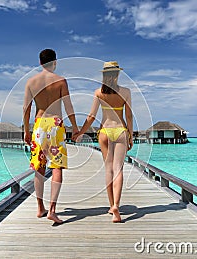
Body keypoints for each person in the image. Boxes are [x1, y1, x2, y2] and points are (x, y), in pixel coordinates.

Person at [72, 61, 133, 223]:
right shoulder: (126, 92)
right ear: (118, 74)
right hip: (120, 131)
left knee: (108, 171)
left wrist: (80, 133)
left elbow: (91, 117)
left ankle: (111, 204)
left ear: (104, 75)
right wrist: (131, 135)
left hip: (105, 132)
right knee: (118, 170)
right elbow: (129, 116)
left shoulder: (98, 92)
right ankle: (116, 208)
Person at [23, 49, 78, 224]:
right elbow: (69, 107)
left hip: (39, 125)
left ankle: (40, 208)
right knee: (57, 167)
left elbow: (26, 109)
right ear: (55, 62)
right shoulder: (61, 81)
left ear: (40, 63)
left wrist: (26, 131)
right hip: (55, 124)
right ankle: (52, 210)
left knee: (39, 168)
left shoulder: (31, 82)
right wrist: (75, 127)